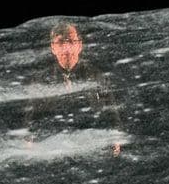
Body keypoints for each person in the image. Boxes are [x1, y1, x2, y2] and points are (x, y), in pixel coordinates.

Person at [23, 22, 124, 156]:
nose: (66, 48)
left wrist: (116, 140)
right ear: (53, 48)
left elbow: (112, 113)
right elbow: (30, 120)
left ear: (79, 45)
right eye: (60, 43)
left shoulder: (97, 76)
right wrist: (29, 145)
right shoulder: (41, 80)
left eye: (71, 41)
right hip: (54, 150)